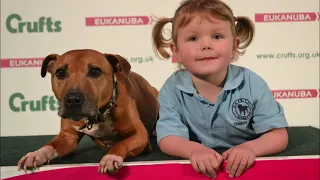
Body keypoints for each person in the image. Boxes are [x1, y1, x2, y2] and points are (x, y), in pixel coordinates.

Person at [151, 0, 289, 178]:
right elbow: (168, 138)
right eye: (193, 38)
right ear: (176, 51)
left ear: (234, 47)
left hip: (246, 170)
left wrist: (250, 148)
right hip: (198, 169)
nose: (206, 45)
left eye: (217, 36)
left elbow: (278, 135)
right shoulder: (172, 88)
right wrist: (193, 150)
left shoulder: (253, 84)